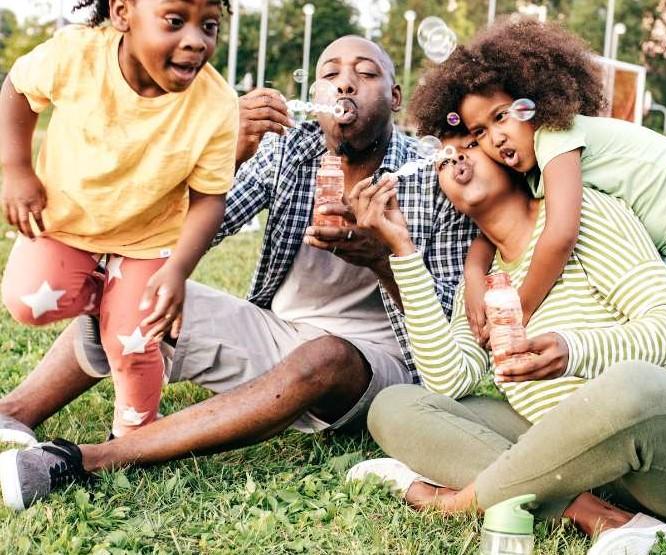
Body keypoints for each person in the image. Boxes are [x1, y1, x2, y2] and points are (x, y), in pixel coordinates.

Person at [0, 35, 476, 510]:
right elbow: (179, 234)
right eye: (330, 74)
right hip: (274, 335)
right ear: (315, 94)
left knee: (324, 355)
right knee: (134, 286)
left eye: (366, 74)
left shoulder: (431, 176)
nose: (345, 85)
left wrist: (383, 259)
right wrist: (229, 154)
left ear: (395, 97)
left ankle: (89, 459)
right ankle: (15, 412)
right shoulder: (290, 152)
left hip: (375, 367)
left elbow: (453, 325)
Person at [408, 18, 666, 555]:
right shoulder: (533, 166)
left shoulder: (557, 135)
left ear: (535, 99)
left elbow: (558, 235)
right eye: (480, 134)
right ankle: (620, 481)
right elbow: (494, 230)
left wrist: (520, 310)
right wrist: (472, 271)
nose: (494, 140)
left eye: (499, 117)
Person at [348, 134, 666, 555]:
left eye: (471, 140)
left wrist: (572, 349)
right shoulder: (479, 282)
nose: (456, 157)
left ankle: (455, 502)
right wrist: (402, 249)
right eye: (442, 156)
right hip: (581, 466)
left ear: (512, 155)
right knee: (396, 405)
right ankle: (598, 515)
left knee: (632, 383)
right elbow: (448, 382)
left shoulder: (585, 215)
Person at [0, 0, 238, 442]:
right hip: (69, 223)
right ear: (123, 13)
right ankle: (110, 301)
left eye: (209, 25)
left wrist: (178, 270)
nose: (195, 40)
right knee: (27, 300)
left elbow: (209, 199)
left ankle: (132, 437)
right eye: (174, 21)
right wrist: (16, 168)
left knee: (134, 343)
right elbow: (16, 88)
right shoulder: (76, 56)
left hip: (148, 241)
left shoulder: (216, 103)